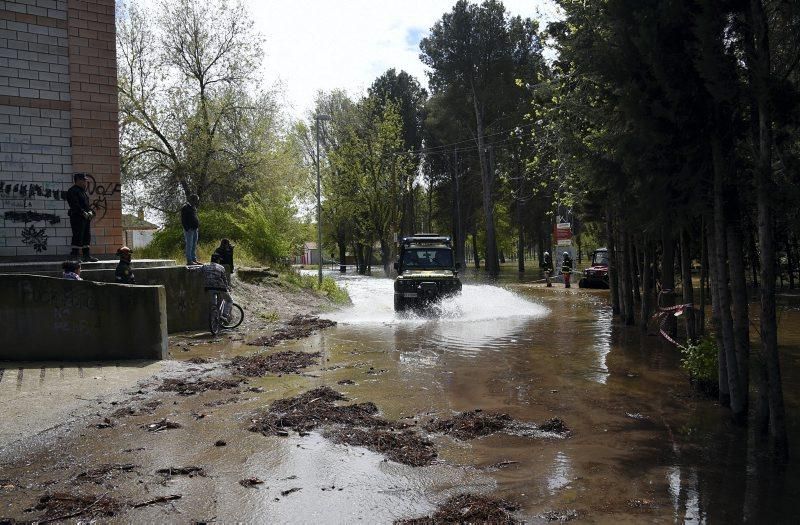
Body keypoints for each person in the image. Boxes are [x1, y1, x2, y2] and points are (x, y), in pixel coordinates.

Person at [191, 253, 233, 322]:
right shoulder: (221, 267)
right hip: (220, 287)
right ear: (218, 260)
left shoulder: (205, 266)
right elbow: (224, 279)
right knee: (229, 301)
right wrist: (227, 287)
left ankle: (214, 314)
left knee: (214, 304)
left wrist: (188, 269)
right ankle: (224, 315)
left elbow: (196, 269)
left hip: (208, 287)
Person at [65, 172, 97, 262]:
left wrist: (90, 212)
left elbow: (86, 205)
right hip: (77, 217)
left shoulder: (83, 192)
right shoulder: (72, 191)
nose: (85, 182)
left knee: (87, 236)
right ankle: (74, 256)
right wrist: (83, 212)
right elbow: (74, 205)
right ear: (78, 180)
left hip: (85, 218)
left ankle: (86, 255)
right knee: (78, 235)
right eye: (84, 180)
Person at [181, 194, 200, 265]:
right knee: (189, 245)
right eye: (195, 200)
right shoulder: (185, 207)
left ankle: (194, 259)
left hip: (195, 229)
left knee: (194, 245)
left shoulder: (193, 207)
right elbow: (183, 219)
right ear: (192, 200)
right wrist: (186, 228)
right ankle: (189, 261)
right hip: (189, 229)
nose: (196, 202)